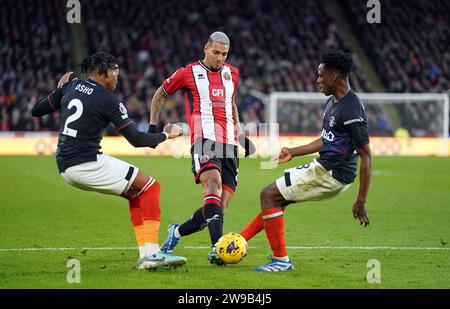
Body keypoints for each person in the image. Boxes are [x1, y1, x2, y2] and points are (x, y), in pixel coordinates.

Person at [31, 52, 187, 271]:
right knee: (152, 187)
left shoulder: (70, 87)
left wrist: (58, 90)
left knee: (136, 192)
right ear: (104, 73)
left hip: (66, 165)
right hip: (87, 162)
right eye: (115, 72)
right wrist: (167, 135)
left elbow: (36, 111)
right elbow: (137, 140)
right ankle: (153, 254)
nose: (117, 77)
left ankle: (146, 256)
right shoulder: (107, 99)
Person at [239, 48, 372, 271]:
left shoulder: (351, 109)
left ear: (334, 76)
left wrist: (361, 200)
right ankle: (237, 242)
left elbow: (367, 156)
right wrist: (294, 151)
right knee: (278, 200)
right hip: (326, 167)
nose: (317, 80)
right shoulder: (333, 102)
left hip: (332, 173)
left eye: (321, 75)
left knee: (268, 195)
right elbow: (327, 139)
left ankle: (280, 261)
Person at [149, 31, 255, 265]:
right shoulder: (188, 72)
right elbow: (160, 93)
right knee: (213, 184)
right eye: (216, 52)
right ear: (205, 48)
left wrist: (240, 134)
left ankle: (176, 233)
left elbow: (232, 103)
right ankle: (218, 249)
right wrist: (152, 126)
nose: (220, 58)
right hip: (204, 140)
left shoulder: (232, 73)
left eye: (224, 54)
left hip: (228, 145)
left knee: (220, 208)